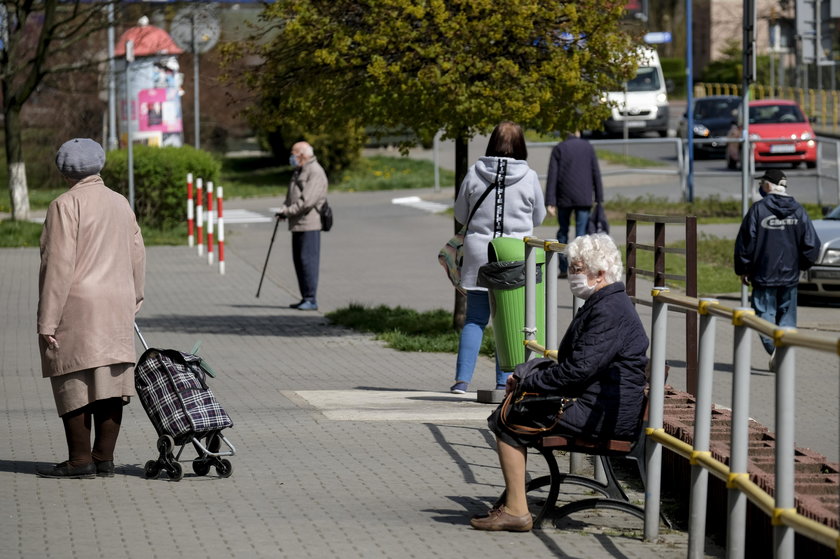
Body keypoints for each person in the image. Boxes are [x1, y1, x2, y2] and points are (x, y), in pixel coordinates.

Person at [470, 234, 649, 531]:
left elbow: (576, 371)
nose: (572, 275)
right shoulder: (604, 303)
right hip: (598, 403)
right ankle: (515, 501)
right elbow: (577, 367)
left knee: (510, 419)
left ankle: (516, 510)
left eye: (578, 269)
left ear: (601, 274)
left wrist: (531, 381)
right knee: (512, 411)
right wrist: (528, 378)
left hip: (602, 414)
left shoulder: (608, 310)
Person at [36, 138, 146, 479]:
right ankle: (104, 459)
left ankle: (79, 460)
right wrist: (135, 297)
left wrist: (47, 321)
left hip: (78, 304)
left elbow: (57, 266)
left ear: (64, 171)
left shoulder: (64, 205)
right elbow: (137, 252)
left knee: (74, 378)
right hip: (117, 300)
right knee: (111, 380)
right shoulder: (120, 202)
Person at [449, 121, 546, 394]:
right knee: (511, 320)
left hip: (479, 253)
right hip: (514, 255)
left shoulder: (474, 173)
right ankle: (504, 382)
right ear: (521, 146)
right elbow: (538, 217)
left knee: (475, 319)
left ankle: (461, 381)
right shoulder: (529, 177)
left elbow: (459, 213)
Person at [734, 169, 820, 369]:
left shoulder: (758, 210)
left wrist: (743, 269)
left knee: (765, 316)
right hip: (790, 275)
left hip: (763, 275)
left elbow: (746, 242)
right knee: (787, 316)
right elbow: (811, 244)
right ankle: (785, 352)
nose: (760, 188)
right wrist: (803, 265)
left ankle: (776, 350)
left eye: (762, 183)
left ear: (768, 185)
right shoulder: (798, 210)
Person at [275, 141, 328, 311]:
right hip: (298, 223)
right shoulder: (299, 171)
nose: (291, 157)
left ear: (303, 155)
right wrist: (284, 209)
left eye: (294, 153)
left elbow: (307, 201)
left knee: (307, 261)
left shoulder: (315, 172)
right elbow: (291, 196)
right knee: (299, 261)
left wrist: (288, 212)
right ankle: (305, 296)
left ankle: (311, 299)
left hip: (309, 224)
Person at [544, 131, 604, 276]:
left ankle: (564, 268)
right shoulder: (587, 147)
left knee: (563, 231)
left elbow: (552, 176)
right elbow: (596, 172)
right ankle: (579, 268)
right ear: (578, 131)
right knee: (581, 234)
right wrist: (599, 197)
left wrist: (550, 201)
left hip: (564, 197)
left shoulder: (559, 148)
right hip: (584, 197)